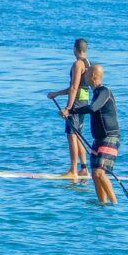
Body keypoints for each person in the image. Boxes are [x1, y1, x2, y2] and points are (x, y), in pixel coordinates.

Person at [61, 65, 120, 205]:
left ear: (93, 76)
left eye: (86, 74)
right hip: (98, 140)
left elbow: (93, 108)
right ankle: (102, 204)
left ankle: (115, 204)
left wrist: (71, 111)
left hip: (109, 138)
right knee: (94, 174)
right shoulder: (95, 93)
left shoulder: (105, 92)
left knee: (99, 173)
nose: (84, 77)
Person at [47, 38, 92, 178]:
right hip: (84, 101)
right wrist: (57, 94)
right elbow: (79, 87)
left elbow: (74, 87)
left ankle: (73, 170)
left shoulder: (78, 64)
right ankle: (84, 168)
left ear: (75, 49)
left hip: (76, 103)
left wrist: (68, 108)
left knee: (71, 136)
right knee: (78, 135)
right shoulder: (88, 63)